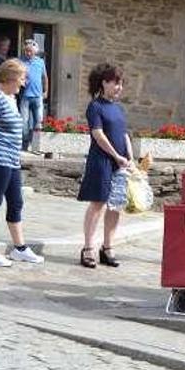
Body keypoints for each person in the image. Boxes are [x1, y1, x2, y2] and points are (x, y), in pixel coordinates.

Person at [0, 59, 44, 267]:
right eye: (22, 79)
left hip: (11, 160)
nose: (23, 83)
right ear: (11, 77)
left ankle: (19, 248)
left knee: (16, 201)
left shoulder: (11, 97)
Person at [77, 63, 132, 269]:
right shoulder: (95, 106)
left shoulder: (118, 108)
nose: (119, 87)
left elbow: (124, 134)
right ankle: (88, 248)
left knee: (116, 206)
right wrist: (116, 155)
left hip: (120, 163)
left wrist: (129, 156)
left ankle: (107, 247)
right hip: (101, 161)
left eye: (121, 84)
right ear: (104, 83)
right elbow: (98, 134)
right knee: (98, 204)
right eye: (115, 83)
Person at [19, 39, 48, 151]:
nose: (28, 53)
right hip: (25, 96)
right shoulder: (20, 61)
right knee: (24, 124)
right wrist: (21, 80)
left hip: (38, 96)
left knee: (38, 123)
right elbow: (16, 74)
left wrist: (46, 91)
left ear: (35, 51)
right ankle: (25, 145)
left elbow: (45, 77)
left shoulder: (40, 62)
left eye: (30, 51)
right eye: (26, 51)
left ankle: (36, 146)